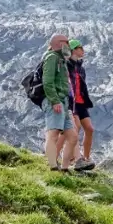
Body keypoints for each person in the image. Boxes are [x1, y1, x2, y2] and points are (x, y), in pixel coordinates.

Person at [41, 34, 77, 172]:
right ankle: (53, 166)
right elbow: (47, 81)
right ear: (58, 43)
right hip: (54, 101)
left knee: (72, 136)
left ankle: (65, 167)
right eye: (66, 42)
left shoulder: (61, 60)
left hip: (63, 102)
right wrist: (54, 100)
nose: (68, 45)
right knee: (53, 133)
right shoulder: (51, 58)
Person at [67, 39, 96, 172]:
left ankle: (86, 157)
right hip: (71, 102)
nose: (83, 50)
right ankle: (73, 158)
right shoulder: (67, 65)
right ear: (73, 49)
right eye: (80, 47)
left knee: (89, 129)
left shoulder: (81, 68)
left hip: (81, 102)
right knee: (75, 128)